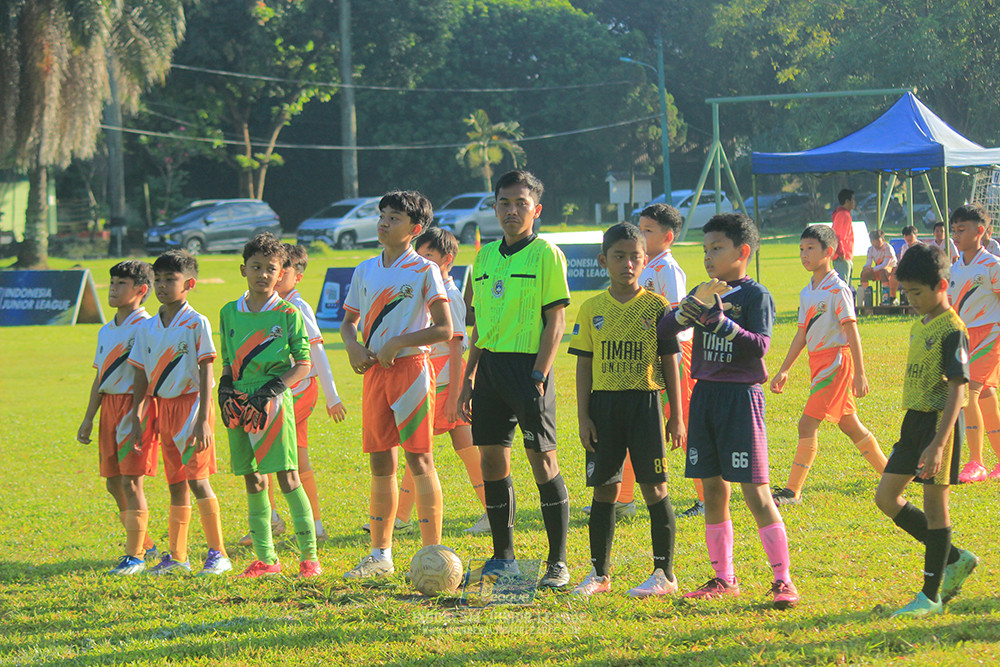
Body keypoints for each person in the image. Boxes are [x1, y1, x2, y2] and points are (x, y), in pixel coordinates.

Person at [658, 212, 799, 609]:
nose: (708, 256)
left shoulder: (757, 296)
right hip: (705, 397)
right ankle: (724, 577)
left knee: (756, 491)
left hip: (741, 398)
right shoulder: (703, 293)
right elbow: (665, 330)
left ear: (743, 252)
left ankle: (782, 579)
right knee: (714, 489)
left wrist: (720, 322)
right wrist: (691, 306)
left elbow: (759, 347)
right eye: (705, 250)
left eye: (717, 248)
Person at [459, 169, 573, 589]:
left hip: (529, 370)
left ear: (536, 210)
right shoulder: (484, 257)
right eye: (504, 203)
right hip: (488, 371)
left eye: (520, 204)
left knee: (543, 462)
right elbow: (480, 327)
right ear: (494, 207)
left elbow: (556, 321)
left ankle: (557, 562)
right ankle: (503, 556)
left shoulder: (547, 253)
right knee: (491, 460)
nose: (511, 210)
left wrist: (539, 375)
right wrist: (468, 379)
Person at [568, 223, 684, 597]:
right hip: (604, 406)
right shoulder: (591, 309)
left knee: (655, 488)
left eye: (635, 257)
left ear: (645, 260)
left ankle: (663, 574)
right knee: (605, 490)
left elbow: (671, 363)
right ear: (604, 260)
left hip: (646, 402)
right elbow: (583, 365)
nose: (628, 264)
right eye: (619, 256)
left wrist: (677, 415)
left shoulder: (657, 307)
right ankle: (599, 575)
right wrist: (584, 416)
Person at [340, 191, 452, 579]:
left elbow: (444, 328)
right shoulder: (365, 269)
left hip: (411, 372)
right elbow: (348, 322)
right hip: (374, 374)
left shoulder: (424, 270)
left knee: (419, 459)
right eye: (382, 215)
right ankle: (380, 555)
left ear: (415, 229)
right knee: (379, 461)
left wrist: (397, 342)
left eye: (395, 218)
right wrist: (353, 346)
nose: (384, 222)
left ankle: (431, 554)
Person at [874, 243, 978, 617]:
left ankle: (930, 595)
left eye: (916, 292)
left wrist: (939, 443)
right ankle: (954, 557)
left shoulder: (953, 330)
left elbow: (958, 389)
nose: (911, 300)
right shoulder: (922, 322)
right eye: (906, 293)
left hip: (939, 425)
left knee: (937, 508)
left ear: (941, 285)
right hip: (913, 422)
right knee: (886, 497)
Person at [219, 234, 319, 578]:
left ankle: (309, 558)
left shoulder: (288, 313)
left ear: (281, 273)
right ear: (243, 269)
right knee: (252, 479)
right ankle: (266, 559)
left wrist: (271, 391)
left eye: (270, 269)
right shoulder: (229, 312)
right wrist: (224, 389)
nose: (262, 274)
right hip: (239, 403)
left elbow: (304, 363)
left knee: (288, 477)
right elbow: (229, 361)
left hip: (272, 402)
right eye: (256, 267)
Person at [127, 250, 230, 576]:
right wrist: (136, 415)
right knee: (175, 484)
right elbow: (141, 374)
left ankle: (219, 553)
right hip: (163, 408)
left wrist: (202, 418)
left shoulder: (196, 322)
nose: (162, 285)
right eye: (158, 279)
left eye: (170, 279)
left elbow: (206, 373)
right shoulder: (147, 327)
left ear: (189, 283)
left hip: (191, 406)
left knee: (198, 480)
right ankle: (178, 556)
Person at [769, 225, 887, 505]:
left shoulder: (838, 288)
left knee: (806, 424)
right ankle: (891, 473)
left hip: (836, 362)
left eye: (810, 248)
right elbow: (802, 334)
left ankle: (792, 492)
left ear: (829, 252)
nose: (804, 254)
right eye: (801, 249)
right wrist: (785, 369)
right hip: (817, 363)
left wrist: (860, 373)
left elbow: (851, 331)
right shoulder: (807, 291)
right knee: (850, 425)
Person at [385, 227, 490, 535]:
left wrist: (457, 393)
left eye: (428, 255)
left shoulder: (451, 296)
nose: (421, 260)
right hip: (433, 383)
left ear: (448, 259)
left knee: (423, 447)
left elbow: (458, 344)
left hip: (445, 385)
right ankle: (402, 517)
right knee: (427, 446)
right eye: (419, 254)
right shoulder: (426, 290)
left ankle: (491, 510)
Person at [77, 260, 160, 575]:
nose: (113, 288)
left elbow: (151, 375)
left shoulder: (148, 327)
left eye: (121, 284)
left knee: (132, 480)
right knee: (113, 482)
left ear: (141, 290)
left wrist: (143, 413)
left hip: (134, 408)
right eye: (112, 282)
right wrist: (88, 418)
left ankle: (135, 556)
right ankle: (145, 543)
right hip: (109, 408)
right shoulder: (106, 328)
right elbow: (100, 376)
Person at [637, 202, 704, 519]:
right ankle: (623, 499)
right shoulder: (645, 265)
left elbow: (679, 316)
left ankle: (706, 498)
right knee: (638, 423)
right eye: (640, 228)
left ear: (668, 236)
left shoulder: (667, 268)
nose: (641, 235)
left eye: (647, 230)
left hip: (675, 354)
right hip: (651, 355)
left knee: (686, 425)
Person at [947, 204, 1000, 482]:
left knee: (968, 395)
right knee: (987, 399)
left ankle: (976, 462)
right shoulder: (955, 268)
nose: (955, 235)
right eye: (953, 230)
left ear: (980, 231)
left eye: (961, 229)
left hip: (989, 337)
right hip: (964, 340)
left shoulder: (993, 265)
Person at [859, 229, 898, 305]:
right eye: (873, 241)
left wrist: (872, 269)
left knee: (883, 272)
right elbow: (868, 263)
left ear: (883, 240)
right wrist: (866, 268)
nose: (875, 244)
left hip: (891, 269)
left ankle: (886, 298)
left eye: (877, 241)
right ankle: (865, 297)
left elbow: (885, 264)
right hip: (878, 268)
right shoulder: (870, 249)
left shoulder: (888, 248)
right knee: (864, 274)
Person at [831, 189, 856, 285]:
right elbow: (837, 235)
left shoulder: (844, 214)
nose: (854, 202)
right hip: (842, 257)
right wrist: (841, 252)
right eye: (853, 200)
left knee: (846, 286)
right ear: (847, 201)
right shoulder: (843, 215)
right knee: (843, 287)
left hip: (846, 256)